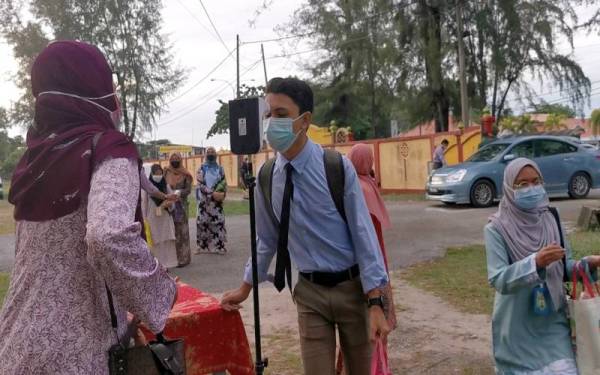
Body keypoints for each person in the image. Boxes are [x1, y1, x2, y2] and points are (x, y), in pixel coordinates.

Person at [0, 41, 176, 374]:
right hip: (76, 354)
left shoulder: (34, 162)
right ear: (91, 88)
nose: (115, 97)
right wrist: (160, 292)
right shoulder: (109, 147)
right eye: (109, 86)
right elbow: (107, 236)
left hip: (15, 344)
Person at [221, 77, 390, 375]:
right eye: (268, 114)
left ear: (305, 120)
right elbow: (266, 239)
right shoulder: (267, 176)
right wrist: (245, 287)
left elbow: (364, 235)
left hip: (353, 290)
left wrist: (376, 302)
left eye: (282, 115)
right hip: (310, 293)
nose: (272, 122)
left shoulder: (336, 167)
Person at [485, 157, 600, 374]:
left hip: (553, 324)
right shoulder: (496, 229)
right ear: (509, 187)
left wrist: (587, 264)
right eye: (523, 184)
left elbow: (565, 266)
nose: (532, 188)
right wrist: (535, 263)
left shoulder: (551, 218)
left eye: (536, 181)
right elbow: (498, 279)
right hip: (517, 330)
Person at [341, 143, 396, 374]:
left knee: (360, 326)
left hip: (360, 265)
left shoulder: (356, 187)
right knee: (372, 323)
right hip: (376, 262)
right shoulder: (369, 186)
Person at [143, 164, 178, 268]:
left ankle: (167, 264)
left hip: (165, 217)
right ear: (151, 174)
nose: (158, 175)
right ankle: (157, 265)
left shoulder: (166, 186)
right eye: (155, 173)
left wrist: (170, 204)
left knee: (166, 240)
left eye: (160, 173)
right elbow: (144, 204)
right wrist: (145, 219)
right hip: (152, 218)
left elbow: (173, 201)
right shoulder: (147, 189)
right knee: (155, 241)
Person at [195, 147, 228, 255]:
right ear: (205, 155)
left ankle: (219, 246)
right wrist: (211, 193)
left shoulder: (220, 168)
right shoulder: (201, 168)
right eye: (208, 152)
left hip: (217, 202)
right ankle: (201, 246)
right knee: (202, 223)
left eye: (212, 152)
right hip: (204, 201)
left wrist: (222, 194)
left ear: (216, 154)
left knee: (218, 223)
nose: (210, 154)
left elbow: (224, 182)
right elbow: (200, 184)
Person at [164, 153, 193, 267]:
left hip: (182, 206)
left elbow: (188, 190)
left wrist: (180, 193)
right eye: (172, 159)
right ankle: (173, 259)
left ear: (180, 160)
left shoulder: (186, 174)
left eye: (177, 159)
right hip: (169, 205)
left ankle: (184, 259)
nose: (174, 160)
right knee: (172, 231)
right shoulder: (166, 172)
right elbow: (161, 185)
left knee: (182, 232)